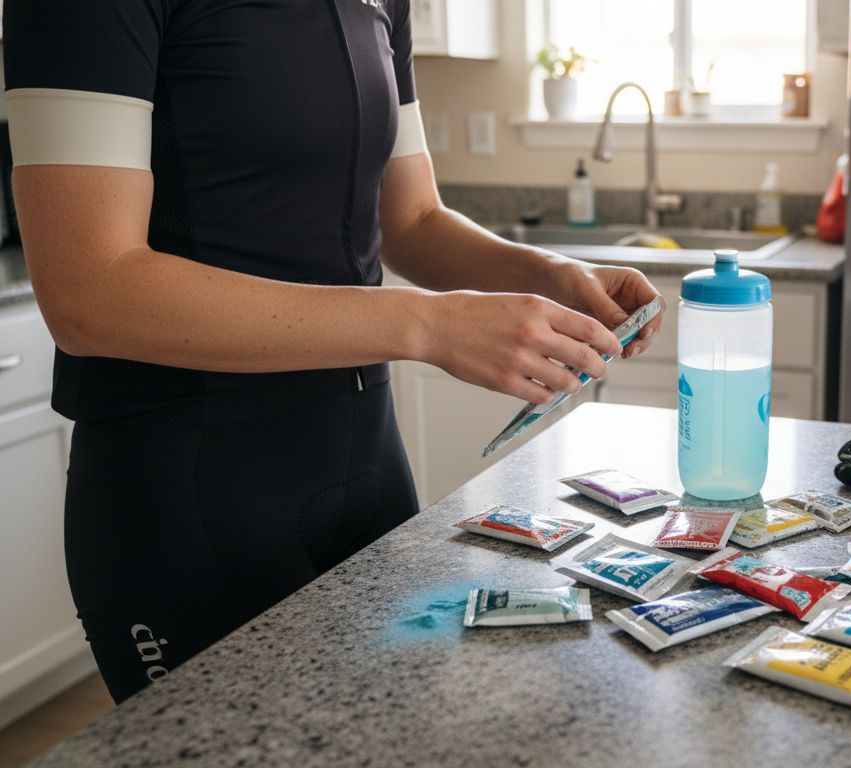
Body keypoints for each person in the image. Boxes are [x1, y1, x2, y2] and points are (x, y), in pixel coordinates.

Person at [2, 0, 664, 703]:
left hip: (365, 468)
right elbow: (89, 292)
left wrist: (546, 275)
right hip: (188, 493)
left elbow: (411, 218)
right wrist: (428, 325)